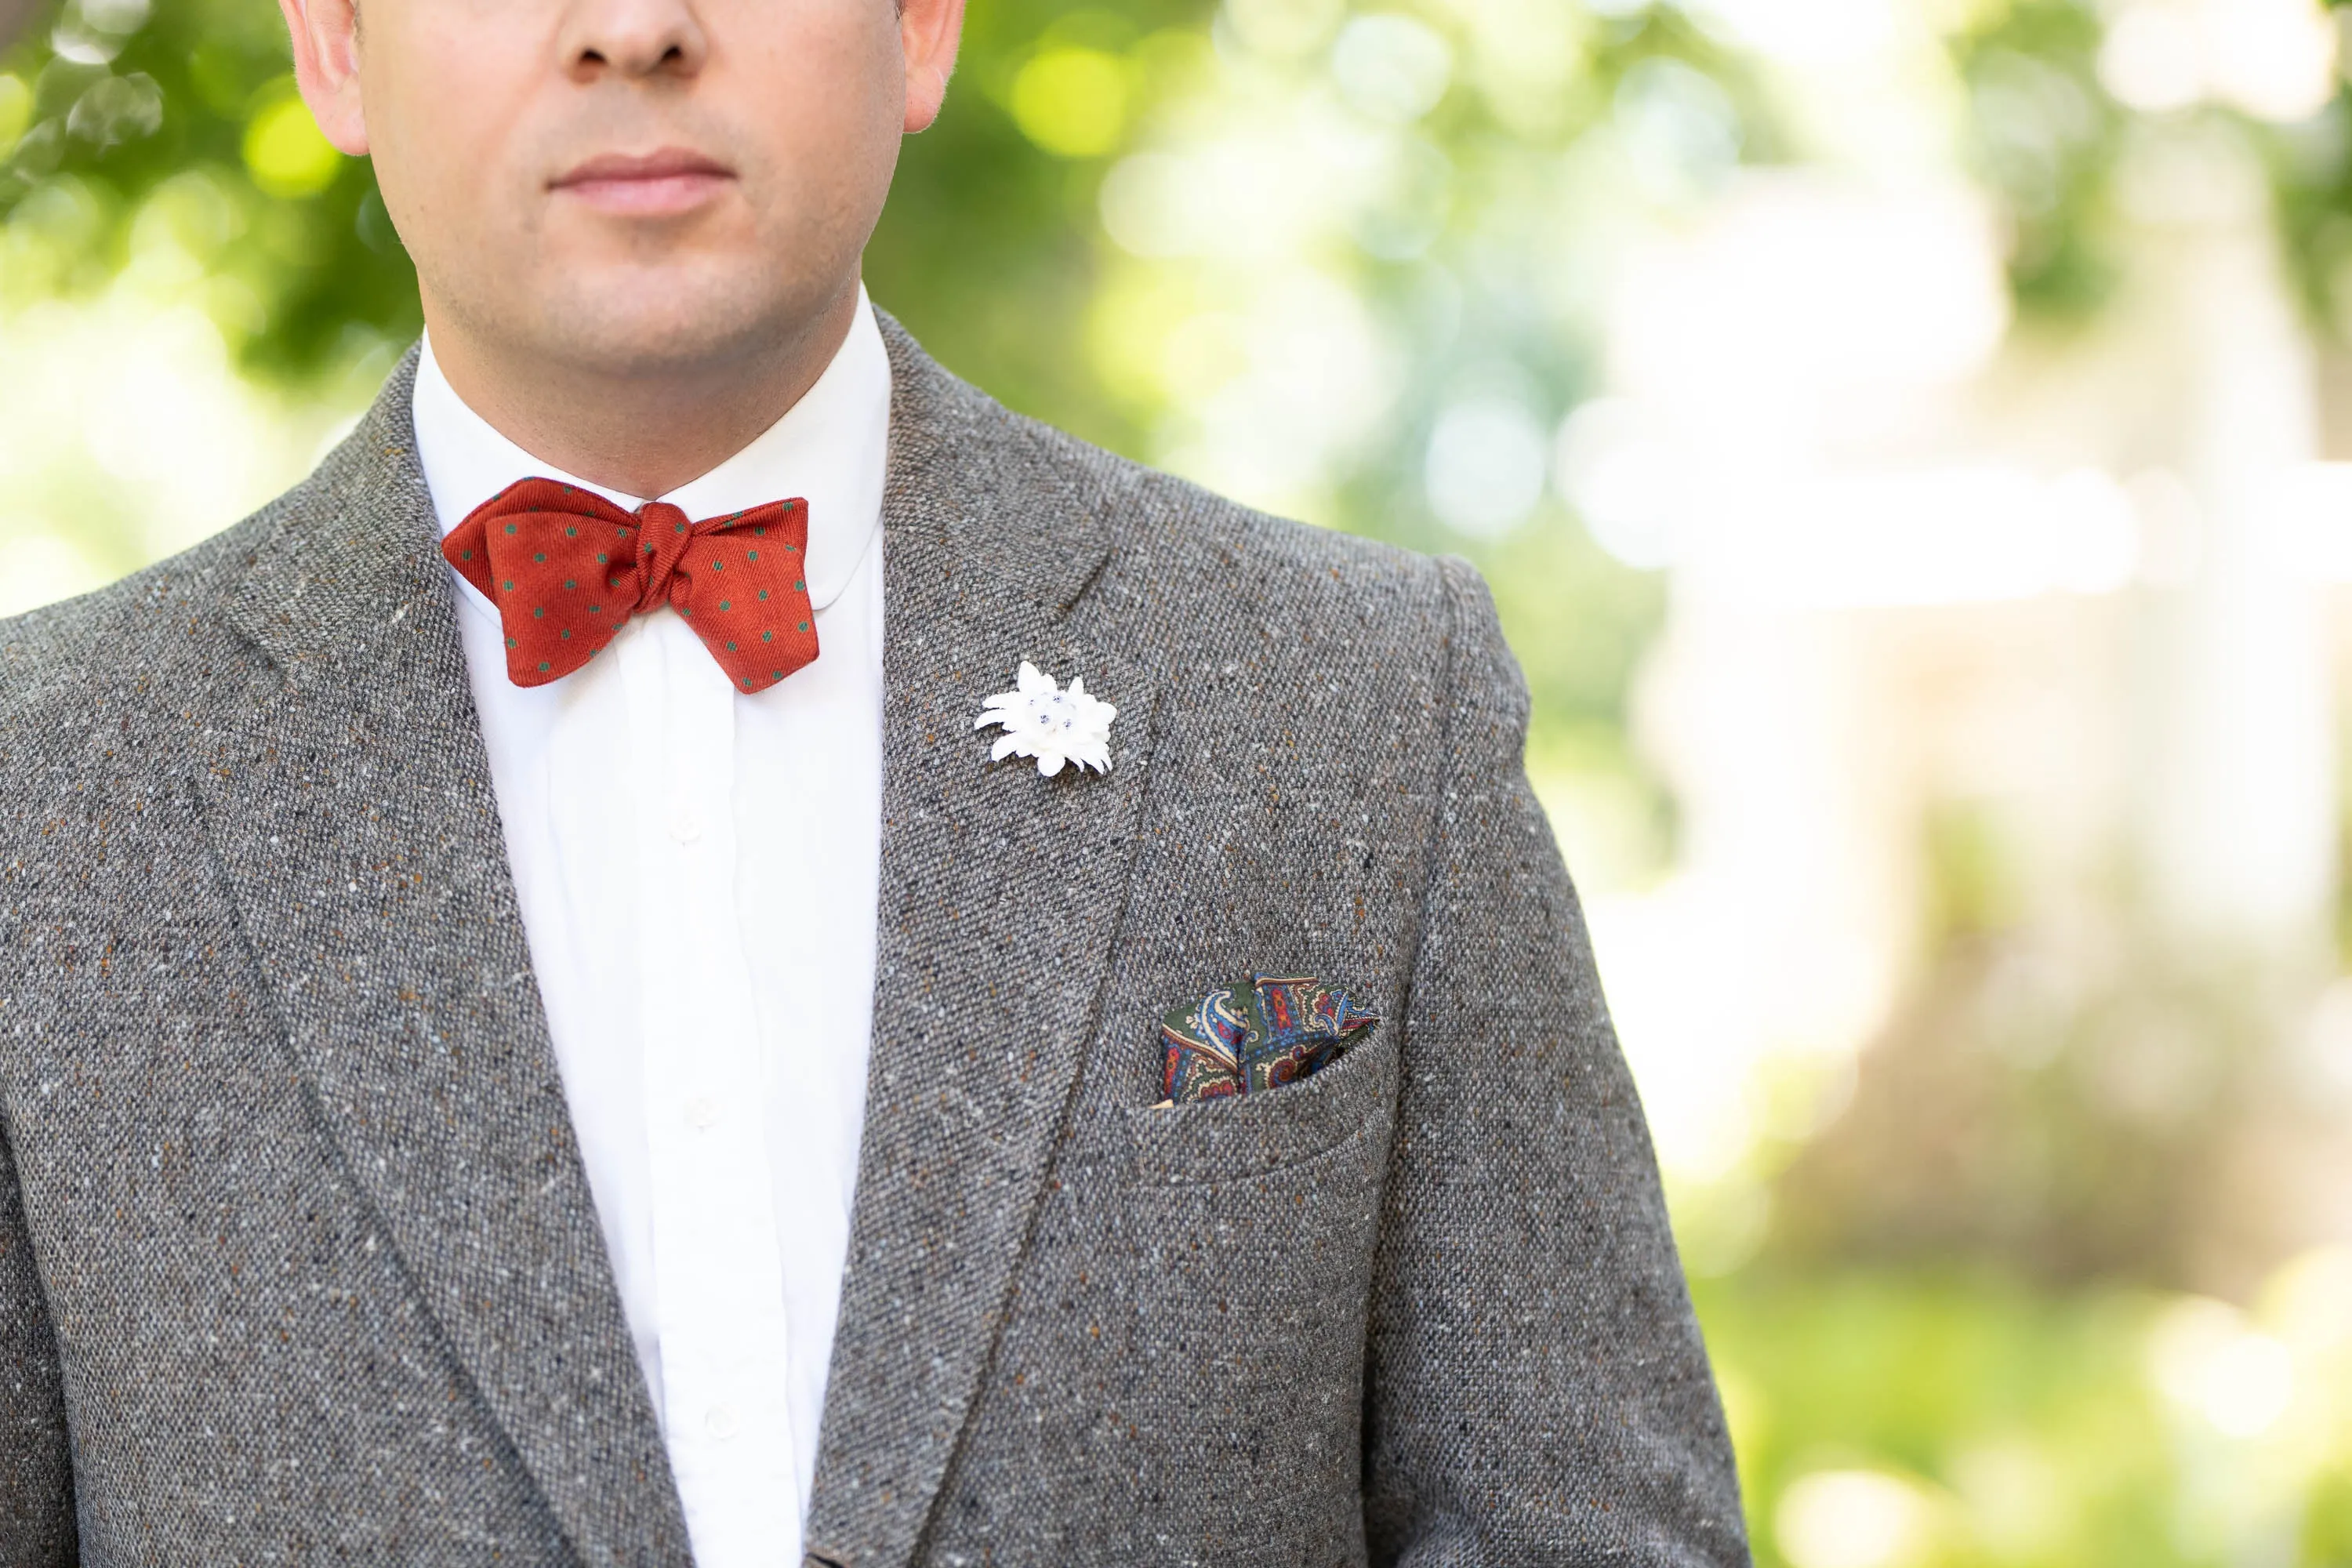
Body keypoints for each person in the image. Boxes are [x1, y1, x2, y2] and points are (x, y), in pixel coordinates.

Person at [0, 0, 1750, 1562]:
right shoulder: (48, 798)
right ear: (331, 44)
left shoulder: (1359, 699)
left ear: (920, 24)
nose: (633, 28)